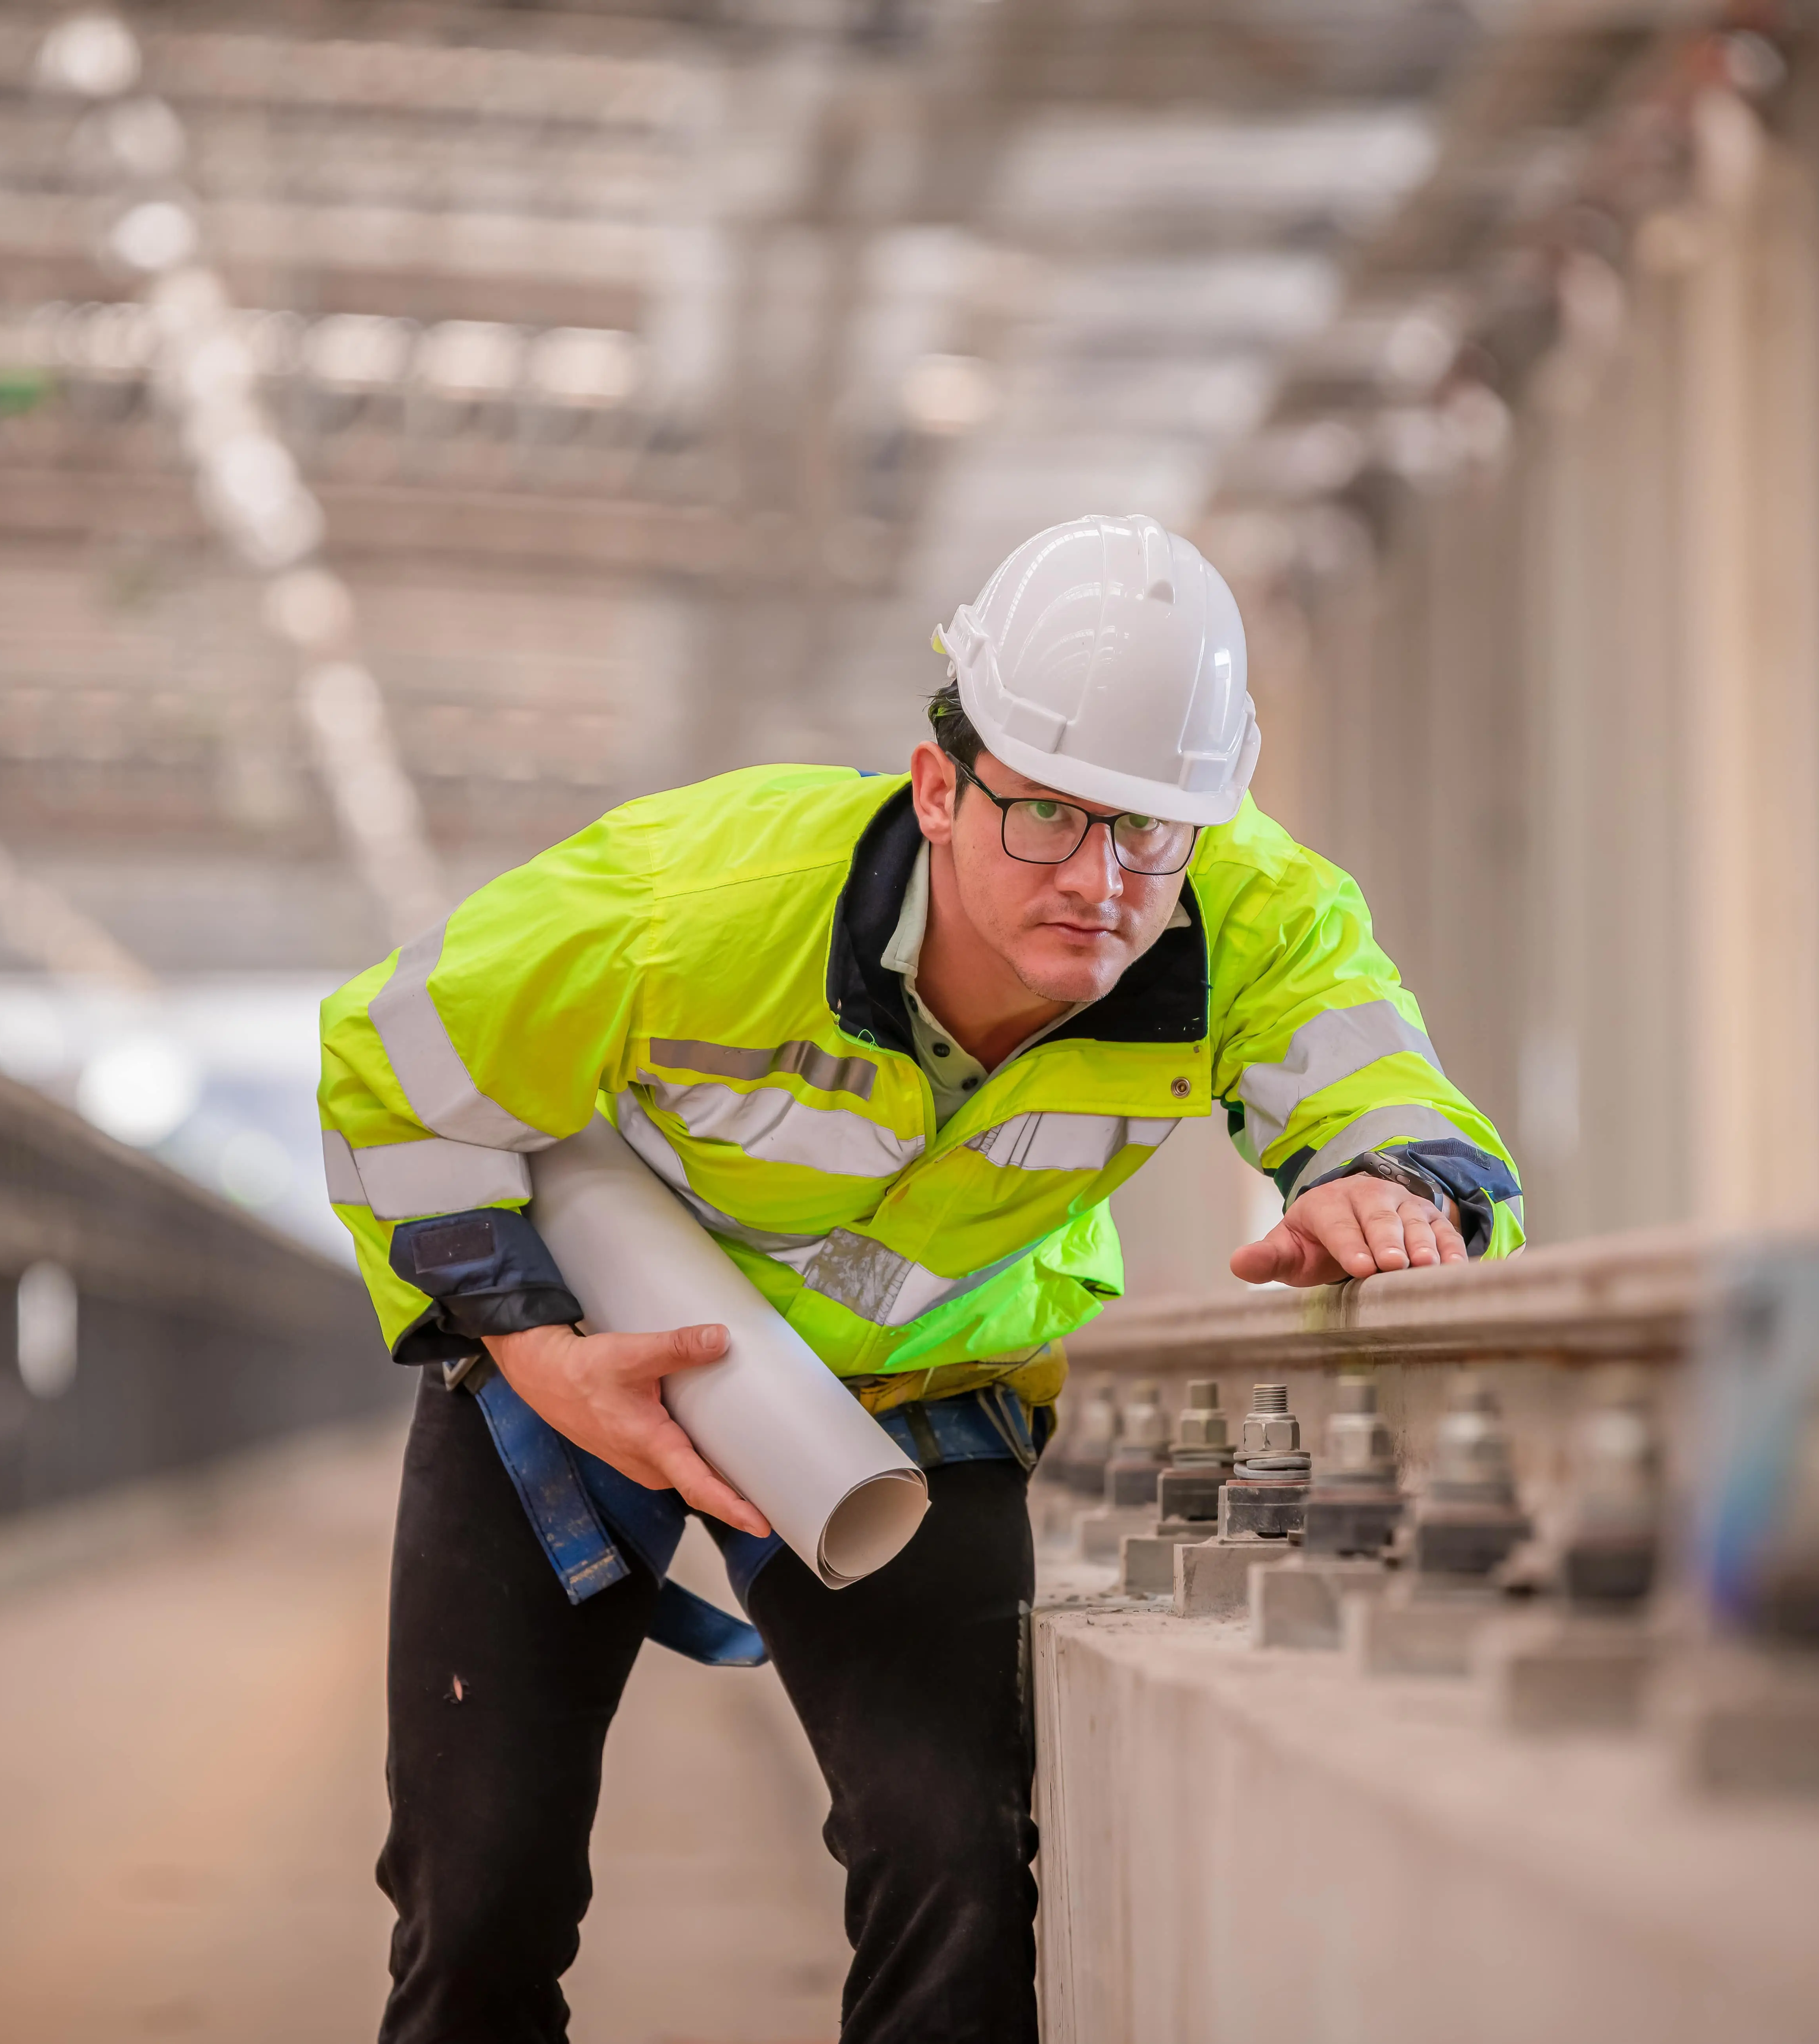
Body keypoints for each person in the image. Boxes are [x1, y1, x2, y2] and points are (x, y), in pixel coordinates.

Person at [316, 512, 1522, 2042]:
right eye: (1046, 817)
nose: (1100, 876)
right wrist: (544, 1355)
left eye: (1150, 830)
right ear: (937, 787)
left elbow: (1383, 1088)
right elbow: (385, 1064)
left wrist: (1384, 1182)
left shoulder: (1247, 918)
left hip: (909, 1405)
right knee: (479, 1896)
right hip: (579, 1373)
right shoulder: (686, 910)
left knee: (956, 1859)